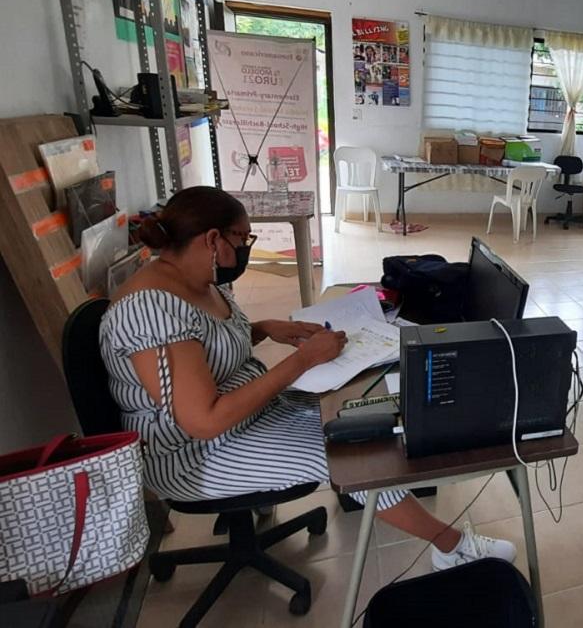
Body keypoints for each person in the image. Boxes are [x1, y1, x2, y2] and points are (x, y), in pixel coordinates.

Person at [99, 186, 514, 571]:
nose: (244, 250)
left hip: (248, 413)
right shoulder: (151, 309)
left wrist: (264, 328)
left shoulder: (198, 279)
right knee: (352, 458)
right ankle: (451, 546)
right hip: (193, 454)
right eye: (242, 240)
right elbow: (203, 420)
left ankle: (424, 508)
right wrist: (301, 362)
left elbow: (207, 346)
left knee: (358, 417)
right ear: (211, 240)